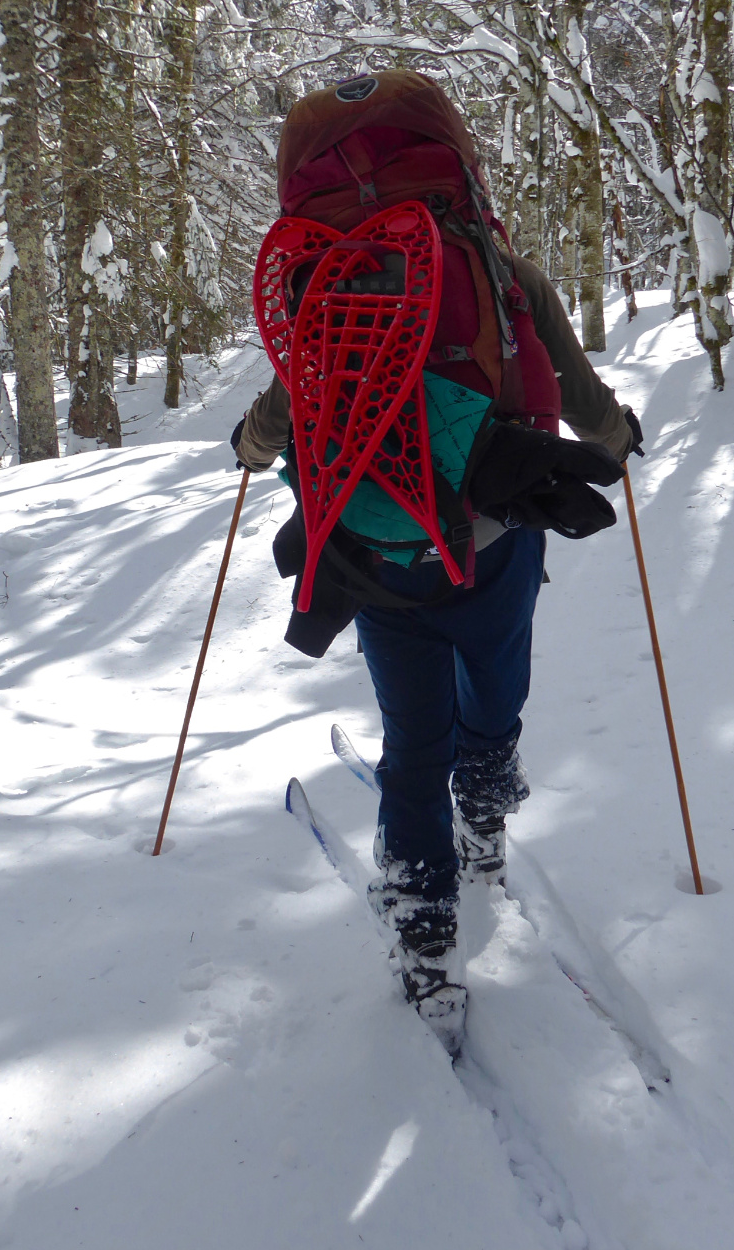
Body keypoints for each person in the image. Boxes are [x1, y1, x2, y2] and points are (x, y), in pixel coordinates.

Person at [231, 71, 640, 1054]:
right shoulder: (496, 269)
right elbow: (583, 405)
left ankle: (424, 938)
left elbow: (276, 415)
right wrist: (617, 435)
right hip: (492, 540)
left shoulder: (319, 281)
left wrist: (250, 447)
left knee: (410, 741)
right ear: (456, 167)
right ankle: (487, 812)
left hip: (373, 552)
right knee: (491, 700)